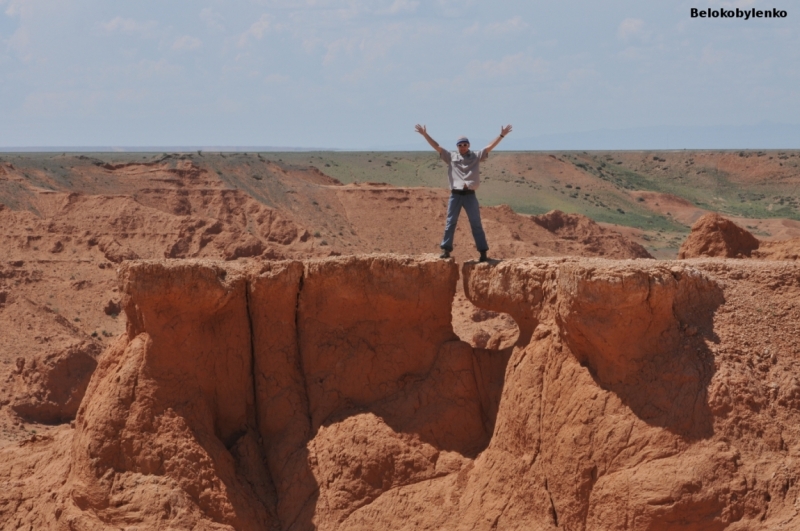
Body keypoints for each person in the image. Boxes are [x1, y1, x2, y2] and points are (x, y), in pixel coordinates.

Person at [415, 124, 512, 262]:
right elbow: (437, 146)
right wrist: (425, 135)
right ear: (457, 146)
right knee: (450, 222)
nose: (463, 147)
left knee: (476, 223)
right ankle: (446, 249)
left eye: (465, 144)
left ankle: (483, 252)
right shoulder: (451, 157)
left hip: (470, 195)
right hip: (455, 195)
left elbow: (489, 147)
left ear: (469, 145)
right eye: (460, 145)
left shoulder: (476, 156)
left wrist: (501, 135)